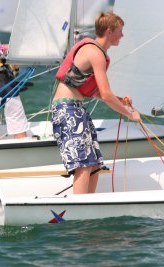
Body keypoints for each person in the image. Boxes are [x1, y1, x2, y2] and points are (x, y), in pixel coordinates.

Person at [51, 12, 140, 194]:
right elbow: (106, 95)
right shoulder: (95, 53)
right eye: (120, 31)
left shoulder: (95, 51)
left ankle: (89, 205)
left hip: (75, 108)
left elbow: (98, 92)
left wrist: (120, 99)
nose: (122, 35)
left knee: (93, 163)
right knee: (83, 164)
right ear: (109, 31)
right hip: (67, 109)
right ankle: (80, 210)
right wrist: (131, 115)